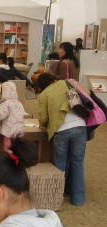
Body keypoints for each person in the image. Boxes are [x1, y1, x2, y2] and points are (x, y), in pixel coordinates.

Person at [36, 73, 88, 206]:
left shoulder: (45, 93)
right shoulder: (73, 84)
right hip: (80, 126)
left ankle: (58, 197)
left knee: (60, 164)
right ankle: (78, 199)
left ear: (41, 85)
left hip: (61, 129)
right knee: (77, 163)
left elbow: (43, 118)